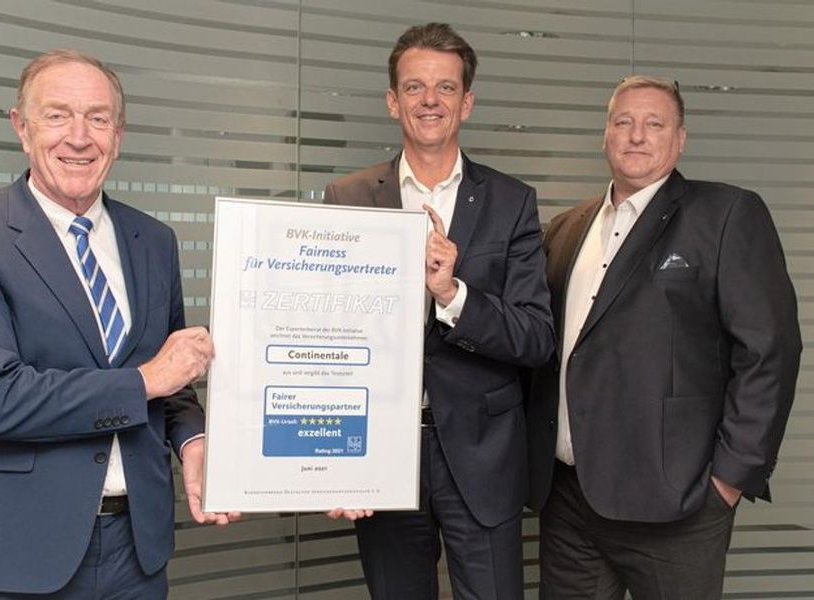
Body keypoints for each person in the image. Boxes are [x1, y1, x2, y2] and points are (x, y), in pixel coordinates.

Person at [0, 49, 238, 599]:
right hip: (12, 547)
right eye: (57, 115)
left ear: (119, 134)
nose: (80, 137)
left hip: (136, 551)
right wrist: (145, 381)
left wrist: (193, 440)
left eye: (98, 118)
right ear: (22, 128)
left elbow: (171, 380)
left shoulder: (153, 241)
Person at [528, 75, 802, 599]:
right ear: (606, 135)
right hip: (568, 501)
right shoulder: (566, 228)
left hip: (677, 505)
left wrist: (729, 480)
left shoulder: (725, 215)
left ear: (680, 139)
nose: (637, 135)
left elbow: (770, 350)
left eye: (654, 123)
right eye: (624, 122)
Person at [324, 23, 554, 600]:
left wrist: (453, 295)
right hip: (380, 455)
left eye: (446, 87)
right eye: (415, 87)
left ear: (466, 102)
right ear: (392, 100)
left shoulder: (511, 201)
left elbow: (536, 337)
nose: (430, 100)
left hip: (483, 455)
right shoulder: (348, 198)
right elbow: (327, 332)